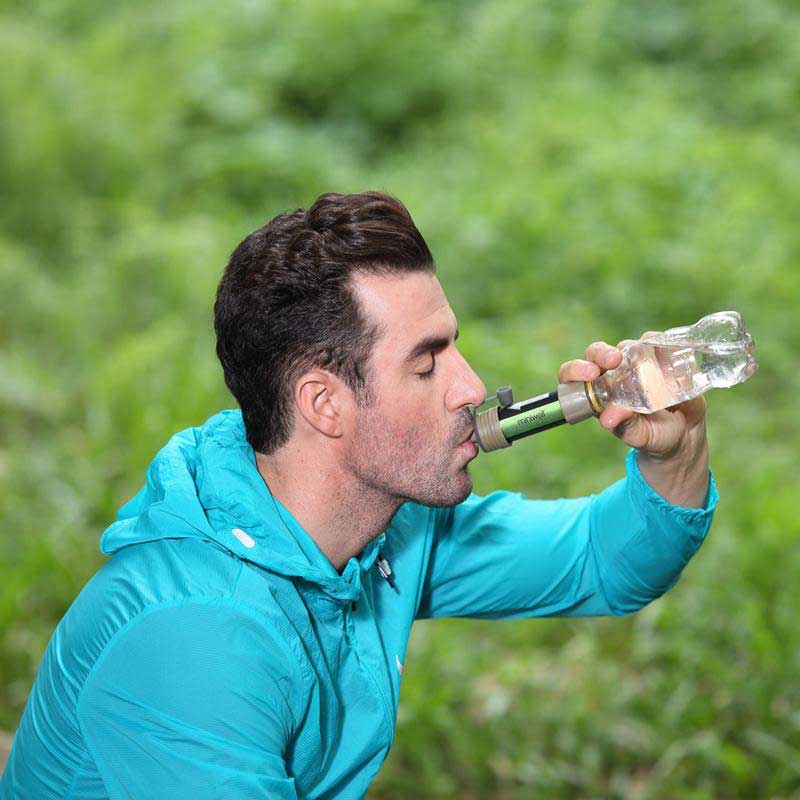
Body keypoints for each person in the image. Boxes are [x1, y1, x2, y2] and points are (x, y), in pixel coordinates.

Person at [0, 192, 717, 799]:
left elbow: (603, 562)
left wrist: (677, 451)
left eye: (453, 347)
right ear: (324, 404)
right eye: (427, 364)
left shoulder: (384, 527)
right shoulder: (198, 640)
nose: (471, 387)